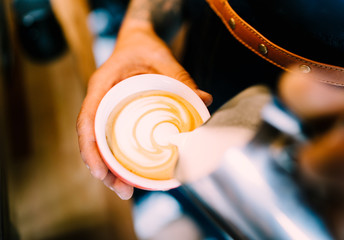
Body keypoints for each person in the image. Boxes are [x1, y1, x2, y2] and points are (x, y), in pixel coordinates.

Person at [77, 0, 344, 236]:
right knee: (195, 172)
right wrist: (141, 26)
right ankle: (185, 207)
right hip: (214, 51)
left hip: (325, 127)